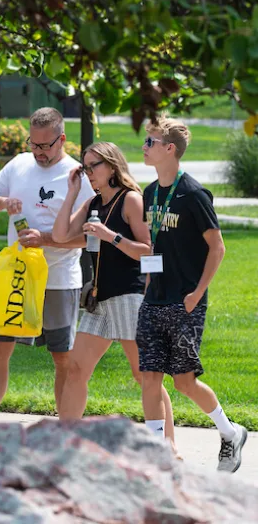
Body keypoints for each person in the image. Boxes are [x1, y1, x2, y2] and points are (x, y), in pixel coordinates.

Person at [0, 107, 95, 452]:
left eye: (46, 145)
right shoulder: (19, 165)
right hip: (17, 278)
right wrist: (1, 202)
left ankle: (68, 436)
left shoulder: (78, 177)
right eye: (34, 144)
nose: (39, 152)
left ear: (62, 139)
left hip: (58, 279)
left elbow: (89, 237)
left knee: (63, 359)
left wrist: (47, 240)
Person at [52, 141, 177, 453]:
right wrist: (72, 192)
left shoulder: (131, 200)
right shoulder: (93, 203)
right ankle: (64, 445)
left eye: (93, 166)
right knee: (76, 371)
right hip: (98, 299)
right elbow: (60, 235)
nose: (89, 172)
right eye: (85, 167)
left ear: (111, 166)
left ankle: (167, 445)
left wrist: (111, 237)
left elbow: (150, 250)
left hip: (129, 297)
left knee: (145, 375)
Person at [137, 117, 246, 472]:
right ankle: (157, 454)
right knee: (150, 376)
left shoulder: (193, 194)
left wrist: (198, 293)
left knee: (184, 382)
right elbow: (154, 243)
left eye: (150, 142)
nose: (144, 146)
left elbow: (217, 247)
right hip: (153, 300)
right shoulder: (150, 193)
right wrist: (149, 284)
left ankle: (230, 433)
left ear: (170, 149)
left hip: (186, 302)